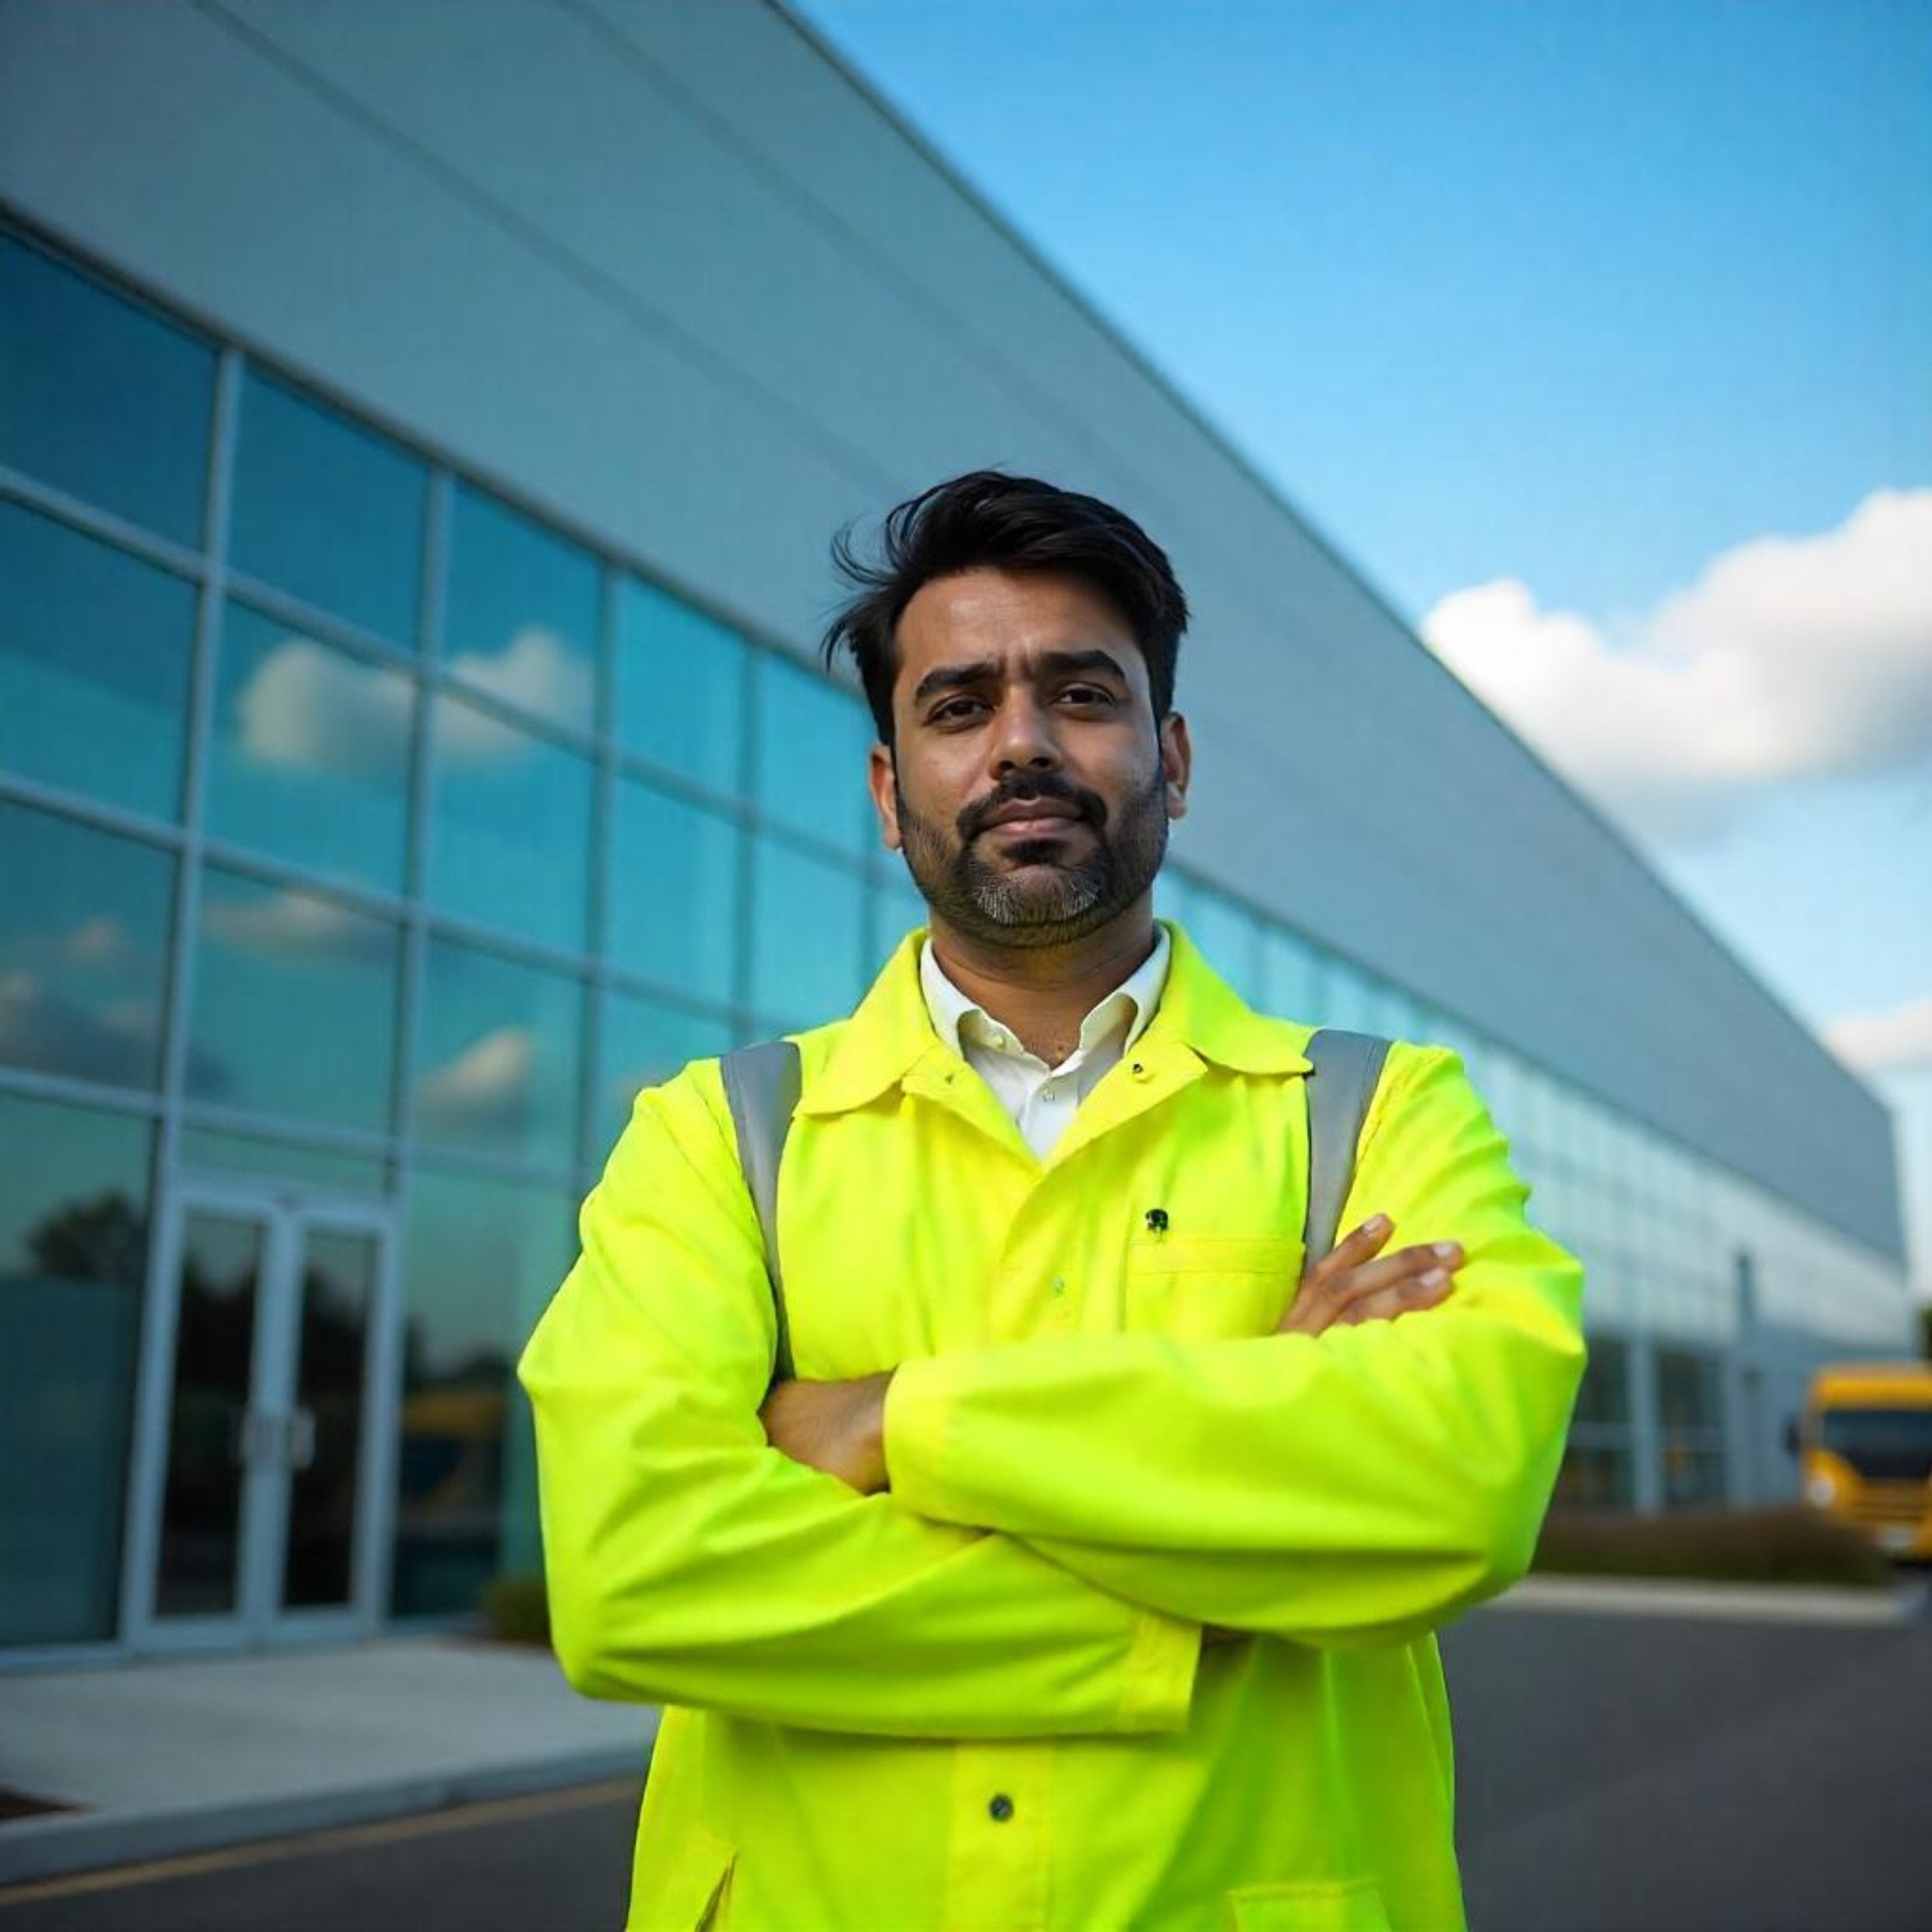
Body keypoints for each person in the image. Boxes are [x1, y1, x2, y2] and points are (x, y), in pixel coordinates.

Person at [519, 471, 1585, 1932]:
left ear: (1175, 756)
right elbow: (633, 1570)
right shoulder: (725, 1138)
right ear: (892, 793)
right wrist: (1236, 1500)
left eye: (1082, 695)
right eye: (958, 707)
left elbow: (1450, 1490)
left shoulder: (1375, 1113)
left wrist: (898, 1421)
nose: (1022, 742)